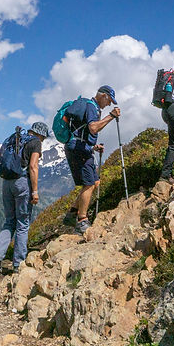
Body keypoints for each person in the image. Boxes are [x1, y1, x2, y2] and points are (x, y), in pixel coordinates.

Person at [0, 122, 50, 271]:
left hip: (7, 183)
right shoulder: (35, 143)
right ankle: (18, 264)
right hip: (21, 183)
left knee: (10, 221)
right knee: (23, 224)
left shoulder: (17, 139)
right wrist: (35, 191)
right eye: (43, 137)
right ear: (41, 134)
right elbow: (33, 167)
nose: (43, 140)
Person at [61, 85, 121, 234]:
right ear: (103, 96)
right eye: (109, 101)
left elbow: (84, 131)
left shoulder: (91, 107)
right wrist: (111, 116)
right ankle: (82, 221)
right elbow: (93, 128)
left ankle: (72, 213)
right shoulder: (91, 107)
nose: (108, 104)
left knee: (94, 182)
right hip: (79, 150)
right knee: (88, 184)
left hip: (80, 147)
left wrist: (94, 146)